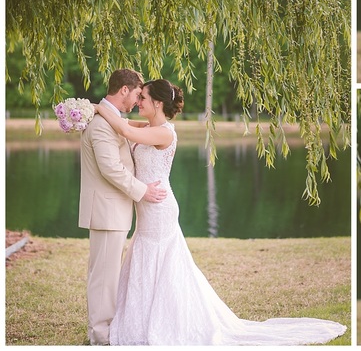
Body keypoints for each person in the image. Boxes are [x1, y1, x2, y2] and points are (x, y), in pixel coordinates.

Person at [94, 79, 346, 345]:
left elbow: (124, 128)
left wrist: (98, 108)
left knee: (160, 262)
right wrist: (99, 114)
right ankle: (144, 319)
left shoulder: (164, 133)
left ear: (157, 103)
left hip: (159, 207)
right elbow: (127, 126)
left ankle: (165, 322)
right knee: (147, 260)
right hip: (147, 208)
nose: (138, 102)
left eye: (142, 97)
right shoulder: (148, 127)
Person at [79, 68, 167, 345]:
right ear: (125, 90)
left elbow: (135, 131)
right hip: (106, 211)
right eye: (137, 94)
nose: (137, 101)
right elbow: (110, 169)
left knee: (107, 274)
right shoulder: (102, 123)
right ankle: (101, 336)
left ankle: (108, 329)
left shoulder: (112, 119)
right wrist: (143, 192)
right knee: (104, 277)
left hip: (113, 210)